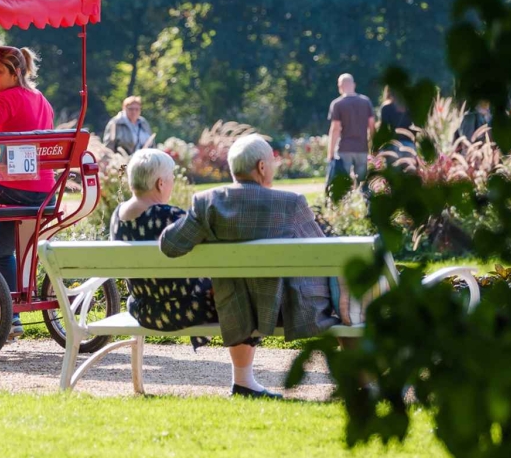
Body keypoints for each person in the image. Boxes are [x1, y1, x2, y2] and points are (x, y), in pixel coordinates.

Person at [159, 133, 339, 398]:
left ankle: (243, 382)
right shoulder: (290, 203)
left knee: (236, 290)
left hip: (234, 309)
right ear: (262, 167)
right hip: (284, 311)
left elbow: (170, 245)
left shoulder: (206, 202)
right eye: (272, 162)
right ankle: (362, 380)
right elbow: (323, 254)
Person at [0, 45, 55, 338]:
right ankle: (12, 320)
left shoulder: (2, 102)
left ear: (17, 72)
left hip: (13, 190)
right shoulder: (42, 100)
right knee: (2, 249)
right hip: (44, 192)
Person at [112, 148, 218, 348]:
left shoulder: (117, 217)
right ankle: (243, 374)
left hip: (142, 310)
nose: (172, 183)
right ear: (160, 184)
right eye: (171, 178)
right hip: (186, 310)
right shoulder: (171, 217)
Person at [327, 74, 375, 189]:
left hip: (344, 148)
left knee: (343, 183)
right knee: (363, 183)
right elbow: (372, 126)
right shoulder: (366, 102)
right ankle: (363, 205)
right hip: (362, 148)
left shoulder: (337, 104)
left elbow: (335, 129)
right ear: (353, 84)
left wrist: (330, 152)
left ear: (340, 86)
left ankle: (345, 205)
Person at [377, 86, 416, 162]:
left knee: (392, 172)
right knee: (409, 171)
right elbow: (416, 128)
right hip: (409, 146)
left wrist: (378, 146)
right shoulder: (411, 107)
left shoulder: (386, 107)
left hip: (392, 146)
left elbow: (383, 129)